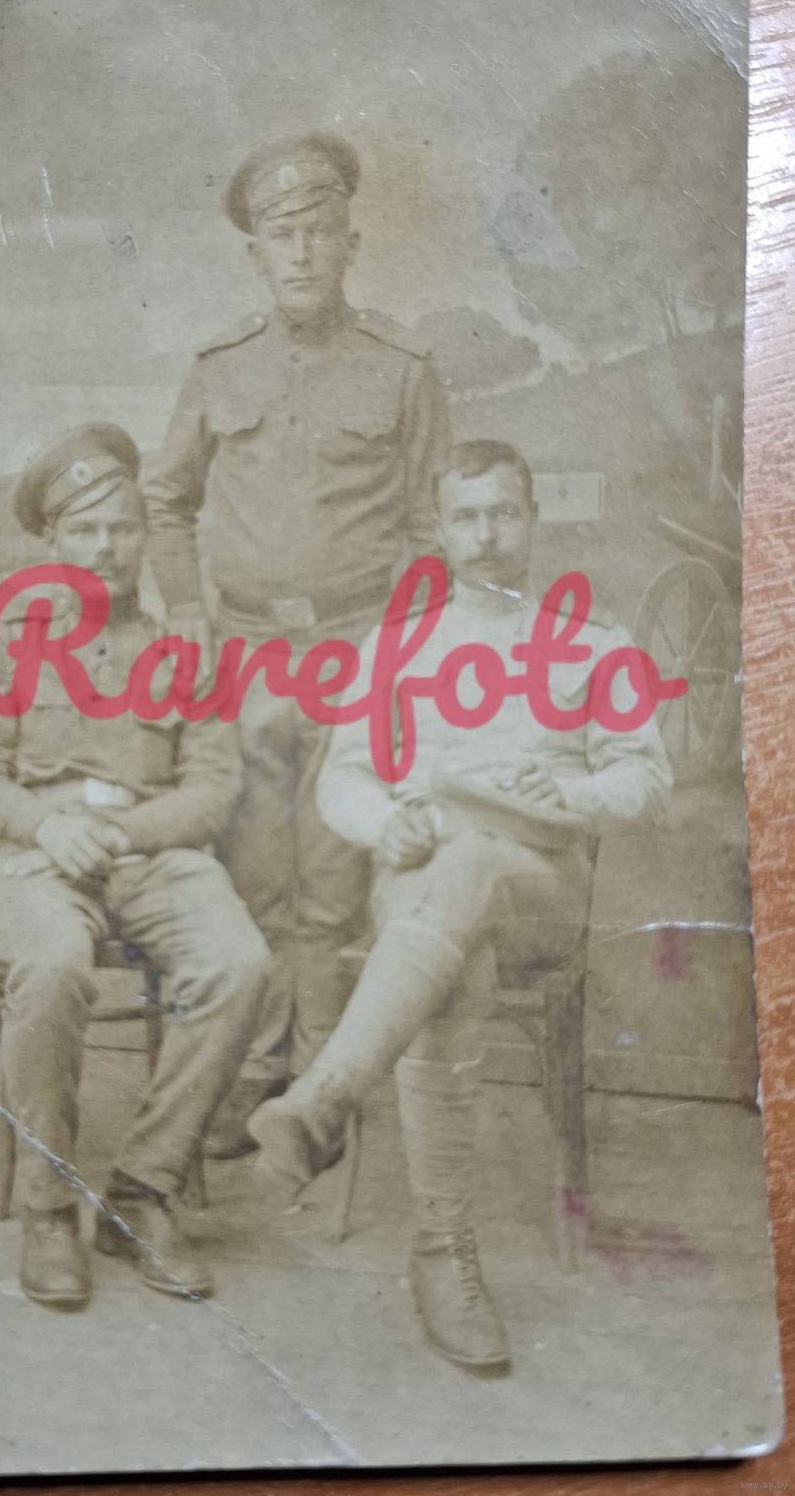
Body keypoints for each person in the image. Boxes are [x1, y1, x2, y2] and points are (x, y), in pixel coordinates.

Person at [248, 439, 673, 1371]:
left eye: (504, 514)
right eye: (466, 517)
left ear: (533, 519)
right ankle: (443, 1249)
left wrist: (572, 793)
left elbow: (647, 776)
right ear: (439, 531)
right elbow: (345, 779)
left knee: (473, 867)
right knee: (454, 957)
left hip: (541, 889)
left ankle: (327, 1097)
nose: (486, 536)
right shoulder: (398, 646)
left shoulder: (595, 642)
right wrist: (384, 824)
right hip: (422, 879)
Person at [143, 132, 450, 1154]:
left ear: (351, 242)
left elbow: (431, 531)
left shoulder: (403, 370)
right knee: (251, 870)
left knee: (330, 881)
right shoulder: (218, 367)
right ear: (257, 255)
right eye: (284, 236)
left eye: (321, 231)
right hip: (242, 657)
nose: (304, 252)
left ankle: (319, 1093)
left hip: (357, 654)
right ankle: (256, 1076)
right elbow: (165, 498)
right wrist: (185, 609)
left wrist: (399, 656)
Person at [0, 424, 271, 1311]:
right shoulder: (9, 636)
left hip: (152, 851)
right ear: (52, 540)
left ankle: (141, 1191)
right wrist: (48, 827)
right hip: (39, 854)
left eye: (123, 528)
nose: (105, 548)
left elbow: (213, 788)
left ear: (144, 536)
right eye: (84, 530)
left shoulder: (183, 647)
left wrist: (121, 834)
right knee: (52, 966)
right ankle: (49, 1205)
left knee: (240, 965)